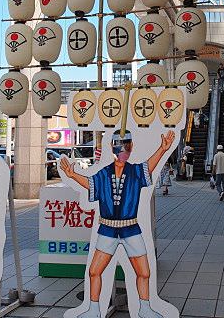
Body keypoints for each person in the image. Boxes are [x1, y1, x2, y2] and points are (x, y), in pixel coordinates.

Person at [60, 130, 175, 318]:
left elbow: (149, 167)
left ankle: (145, 308)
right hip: (107, 229)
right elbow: (91, 184)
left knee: (144, 272)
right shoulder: (104, 173)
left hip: (131, 228)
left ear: (131, 147)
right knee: (94, 271)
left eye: (126, 146)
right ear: (111, 147)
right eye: (119, 145)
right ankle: (94, 309)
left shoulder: (136, 171)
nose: (122, 150)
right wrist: (72, 175)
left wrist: (162, 149)